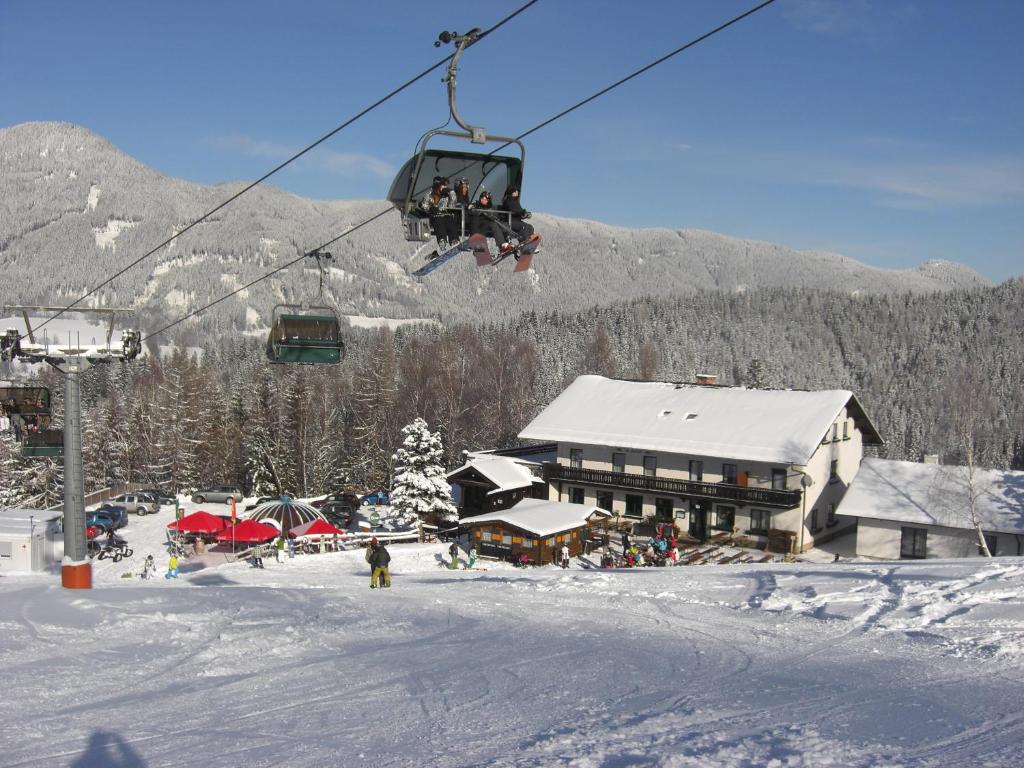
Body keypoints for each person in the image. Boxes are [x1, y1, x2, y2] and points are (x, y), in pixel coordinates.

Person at [419, 176, 459, 249]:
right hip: (434, 216)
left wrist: (451, 192)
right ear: (438, 185)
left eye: (445, 185)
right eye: (443, 185)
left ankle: (454, 239)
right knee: (439, 220)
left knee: (450, 220)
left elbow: (452, 205)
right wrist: (431, 209)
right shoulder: (429, 194)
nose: (445, 187)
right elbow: (424, 205)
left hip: (445, 214)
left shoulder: (446, 194)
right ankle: (442, 240)